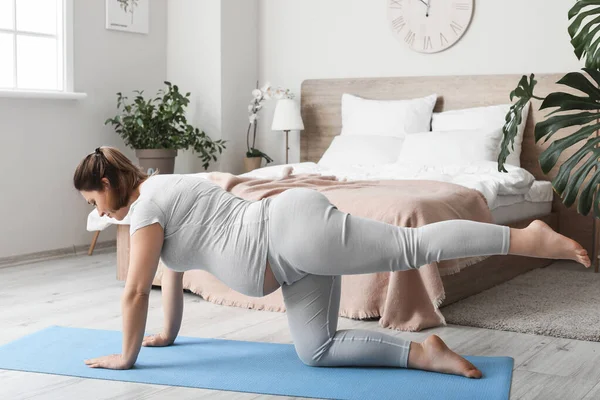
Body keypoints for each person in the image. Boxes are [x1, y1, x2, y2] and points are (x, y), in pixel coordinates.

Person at [75, 146, 590, 378]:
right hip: (292, 258)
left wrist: (128, 357)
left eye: (91, 200)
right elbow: (171, 274)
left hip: (287, 235)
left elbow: (135, 290)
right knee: (316, 350)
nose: (94, 211)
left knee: (410, 247)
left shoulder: (145, 209)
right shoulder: (162, 193)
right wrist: (165, 335)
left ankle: (526, 237)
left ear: (106, 185)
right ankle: (425, 354)